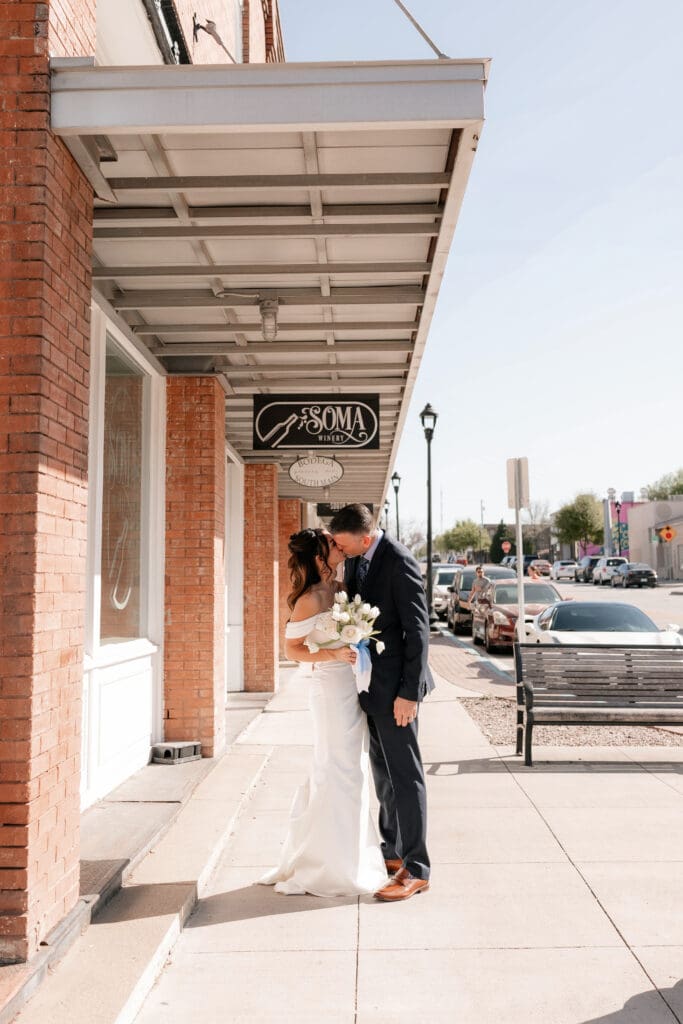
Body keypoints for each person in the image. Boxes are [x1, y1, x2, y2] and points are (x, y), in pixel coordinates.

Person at [259, 527, 387, 897]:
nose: (339, 546)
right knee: (336, 767)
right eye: (331, 544)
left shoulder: (342, 590)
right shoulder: (310, 600)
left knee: (352, 767)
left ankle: (351, 856)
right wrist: (332, 654)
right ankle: (327, 864)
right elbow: (291, 650)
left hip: (349, 687)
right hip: (327, 690)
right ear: (319, 557)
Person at [329, 503, 434, 903]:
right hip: (372, 688)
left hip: (399, 693)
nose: (340, 550)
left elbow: (418, 631)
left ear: (365, 537)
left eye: (343, 543)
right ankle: (392, 853)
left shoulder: (399, 561)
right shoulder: (357, 560)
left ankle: (417, 867)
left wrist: (409, 694)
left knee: (406, 776)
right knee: (383, 775)